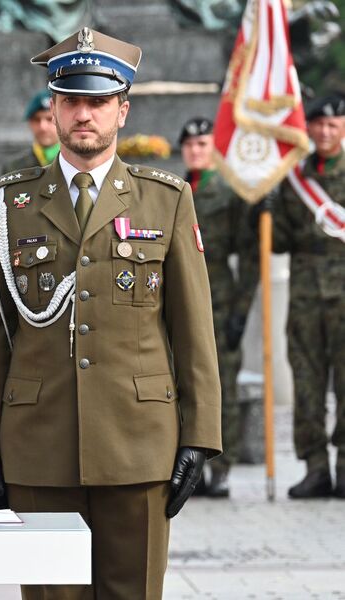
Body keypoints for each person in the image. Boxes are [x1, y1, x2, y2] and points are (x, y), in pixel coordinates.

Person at [0, 28, 222, 599]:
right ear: (53, 108)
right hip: (38, 444)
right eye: (71, 101)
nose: (85, 114)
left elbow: (192, 331)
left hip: (139, 444)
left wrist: (200, 436)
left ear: (122, 111)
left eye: (98, 102)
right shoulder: (8, 202)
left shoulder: (166, 198)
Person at [180, 117, 258, 498]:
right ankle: (189, 468)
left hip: (219, 299)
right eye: (191, 145)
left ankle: (222, 469)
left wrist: (242, 311)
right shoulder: (173, 190)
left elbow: (249, 255)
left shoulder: (228, 193)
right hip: (180, 299)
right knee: (182, 385)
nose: (196, 151)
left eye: (203, 145)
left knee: (221, 385)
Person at [273, 94, 345, 499]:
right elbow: (280, 242)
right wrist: (265, 213)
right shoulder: (294, 179)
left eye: (334, 124)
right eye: (318, 125)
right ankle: (315, 467)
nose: (325, 132)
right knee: (306, 380)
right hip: (304, 293)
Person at [1, 88, 60, 174]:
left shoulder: (75, 163)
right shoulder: (13, 168)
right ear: (29, 123)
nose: (43, 127)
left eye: (49, 119)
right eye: (36, 120)